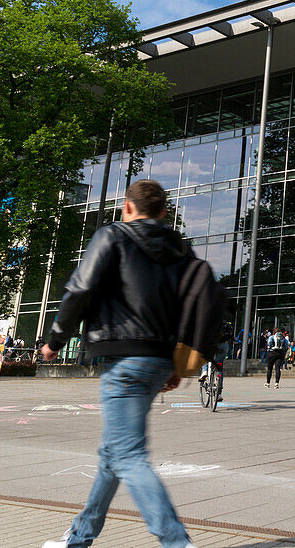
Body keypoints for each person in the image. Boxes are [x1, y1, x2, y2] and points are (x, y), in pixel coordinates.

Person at [39, 179, 197, 548]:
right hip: (160, 360)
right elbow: (188, 308)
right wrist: (179, 362)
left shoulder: (113, 236)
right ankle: (78, 537)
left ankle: (177, 542)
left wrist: (55, 340)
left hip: (125, 360)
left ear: (128, 208)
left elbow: (80, 289)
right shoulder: (181, 250)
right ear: (162, 213)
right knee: (114, 453)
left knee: (127, 454)